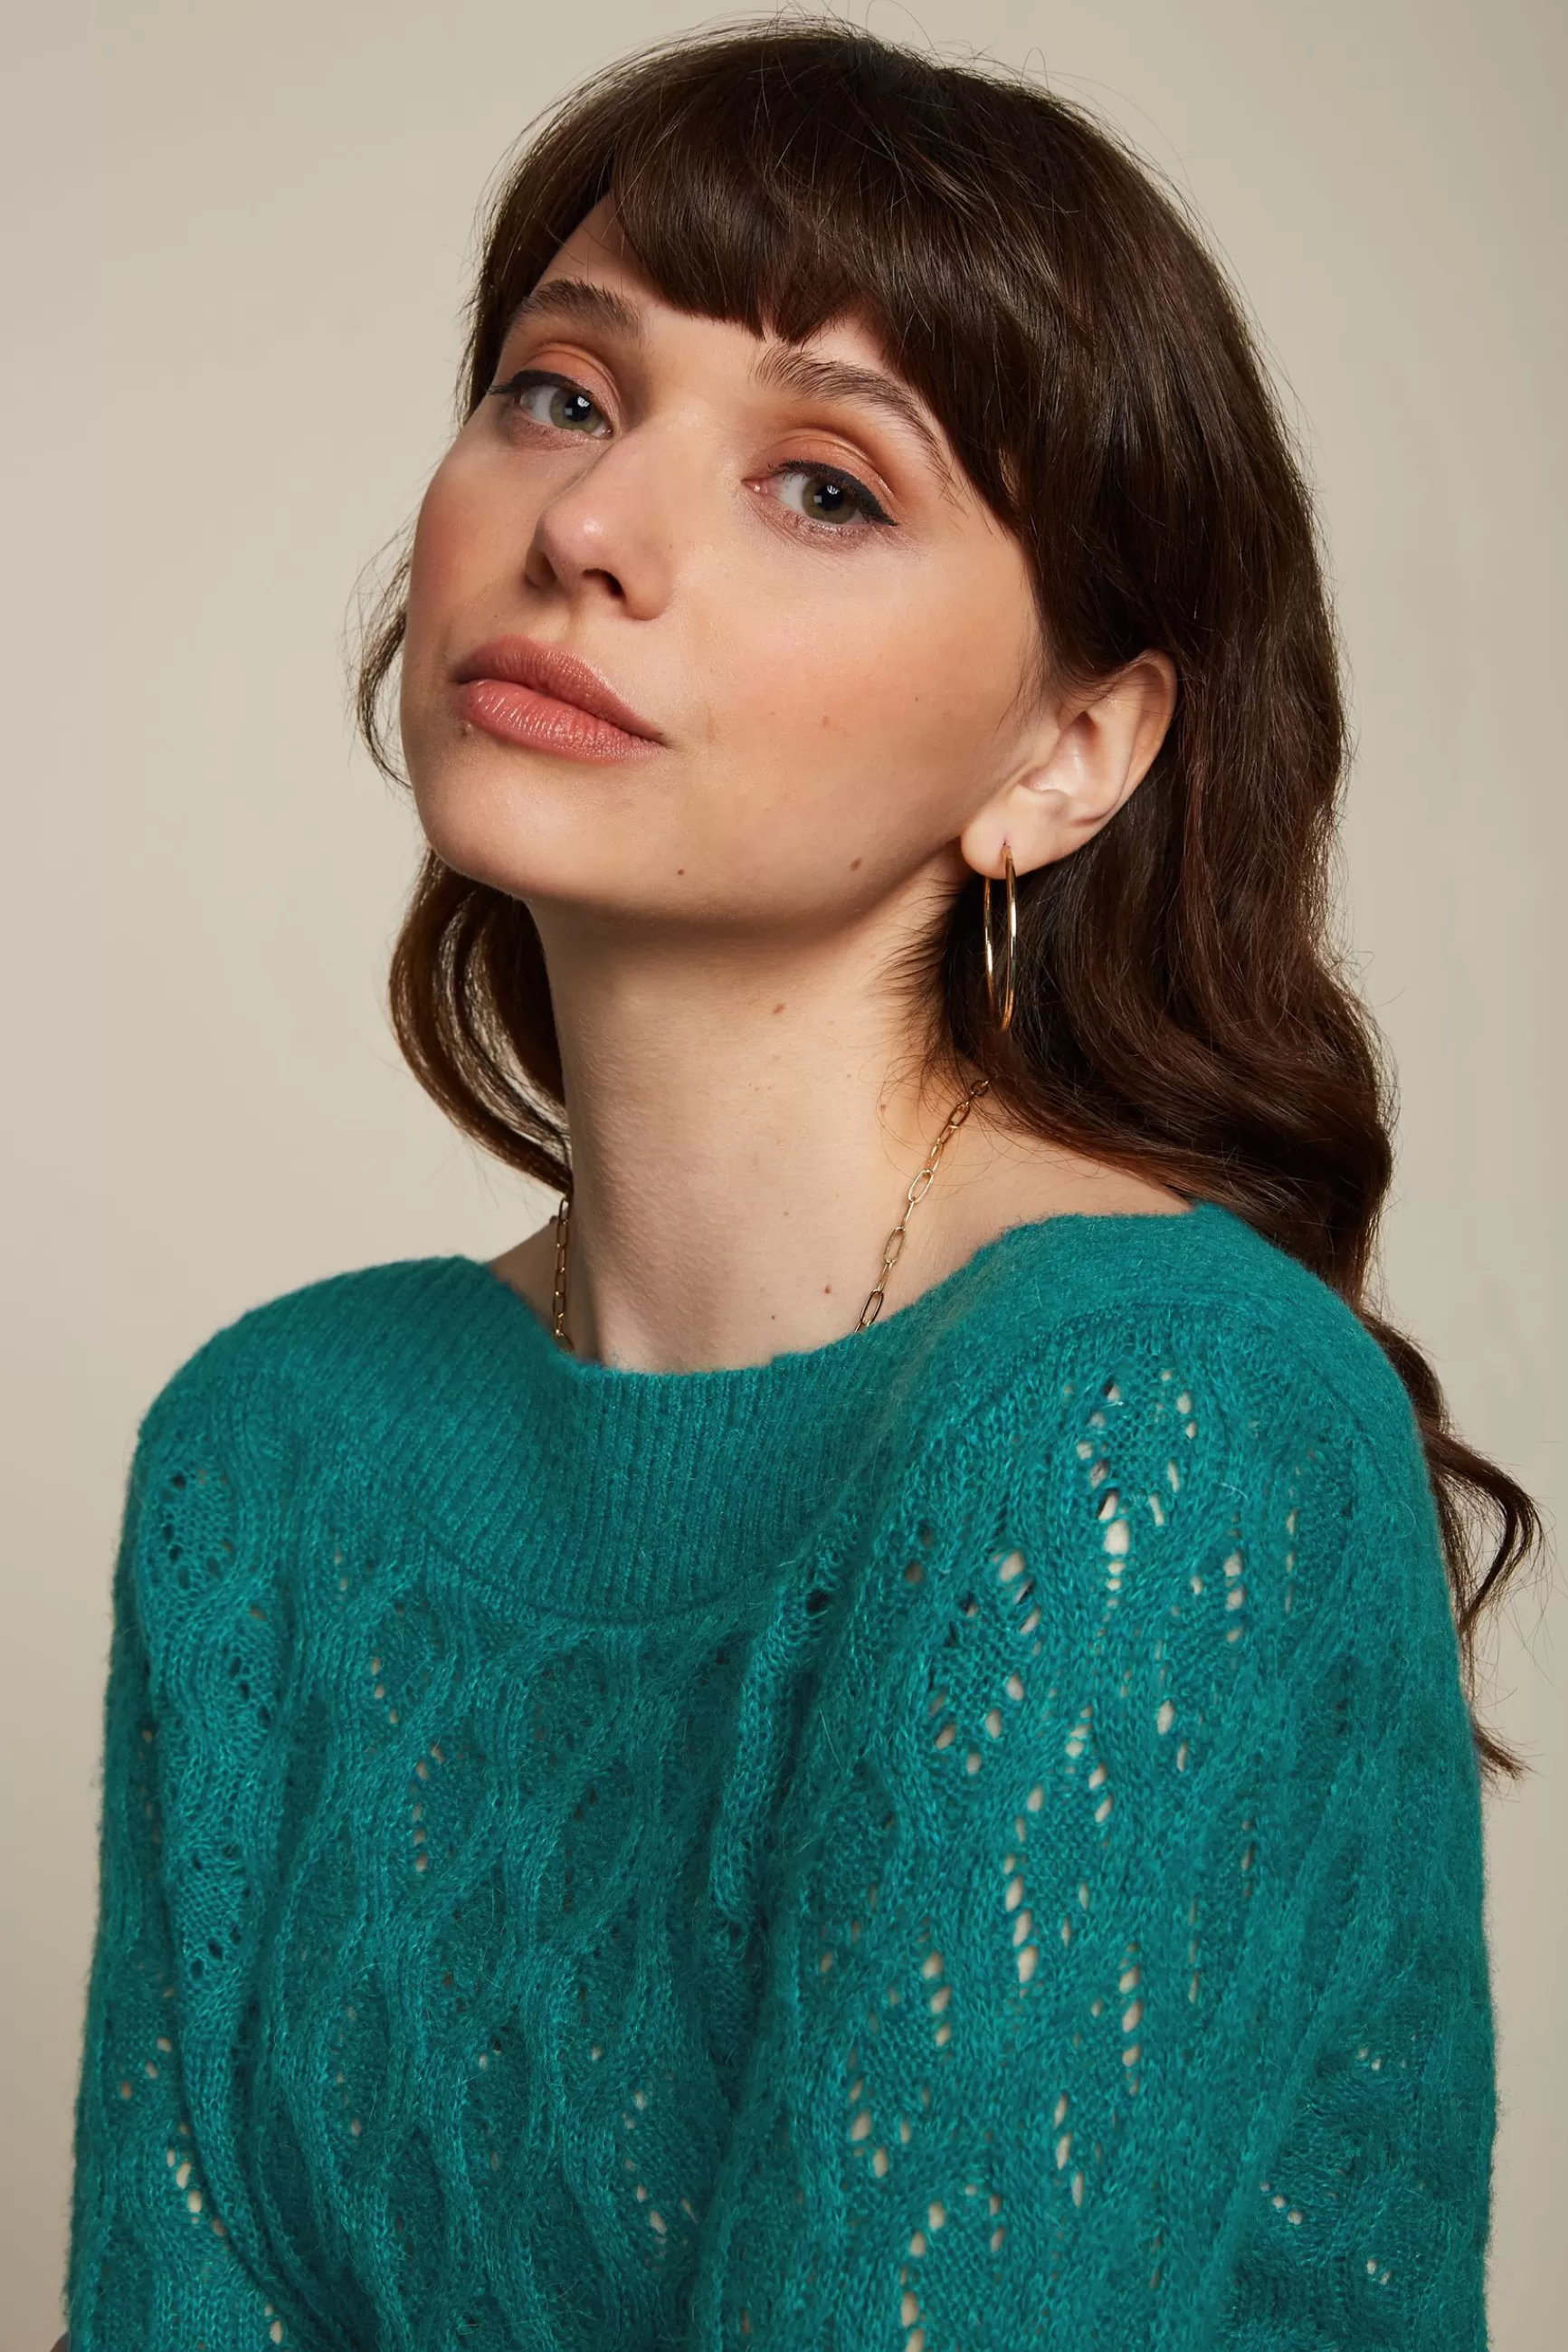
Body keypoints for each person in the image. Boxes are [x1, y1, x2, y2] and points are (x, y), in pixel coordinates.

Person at [62, 20, 1539, 2352]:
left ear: (1071, 751)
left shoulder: (1145, 1420)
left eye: (827, 486)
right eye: (562, 390)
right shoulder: (277, 1449)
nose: (587, 529)